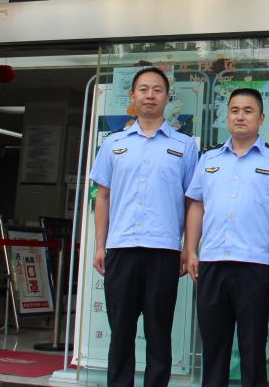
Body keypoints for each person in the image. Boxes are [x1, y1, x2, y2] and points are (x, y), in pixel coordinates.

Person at [90, 66, 198, 387]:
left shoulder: (184, 146)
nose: (150, 95)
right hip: (121, 249)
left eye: (157, 90)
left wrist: (188, 248)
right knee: (120, 330)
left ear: (167, 97)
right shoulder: (114, 143)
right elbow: (102, 197)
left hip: (163, 251)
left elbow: (193, 202)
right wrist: (100, 245)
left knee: (158, 330)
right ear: (132, 96)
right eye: (143, 89)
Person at [183, 87, 269, 387]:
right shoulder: (209, 159)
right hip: (213, 262)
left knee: (253, 347)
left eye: (247, 111)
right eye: (234, 110)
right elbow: (196, 205)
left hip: (254, 266)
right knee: (214, 348)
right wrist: (190, 250)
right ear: (227, 116)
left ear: (261, 118)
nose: (240, 116)